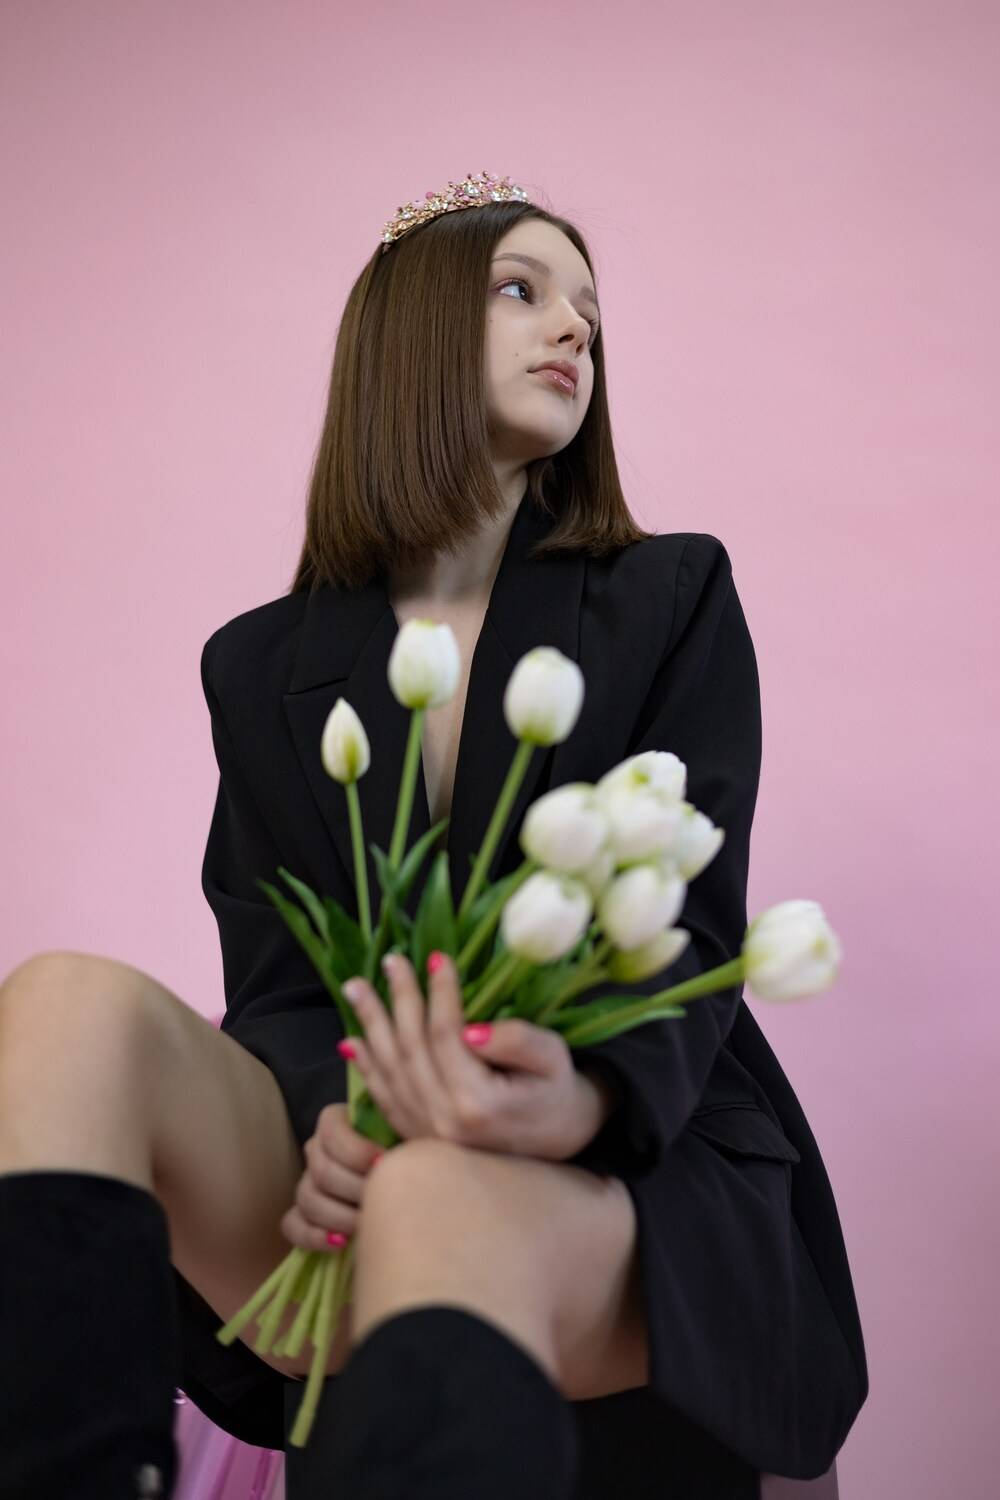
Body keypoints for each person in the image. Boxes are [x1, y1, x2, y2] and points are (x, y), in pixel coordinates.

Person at [0, 173, 868, 1500]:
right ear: (410, 336)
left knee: (435, 1194)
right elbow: (282, 989)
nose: (572, 329)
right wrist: (336, 1124)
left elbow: (688, 926)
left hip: (633, 1163)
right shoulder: (257, 664)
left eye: (589, 313)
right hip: (357, 1157)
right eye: (524, 289)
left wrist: (579, 1100)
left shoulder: (670, 591)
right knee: (65, 1005)